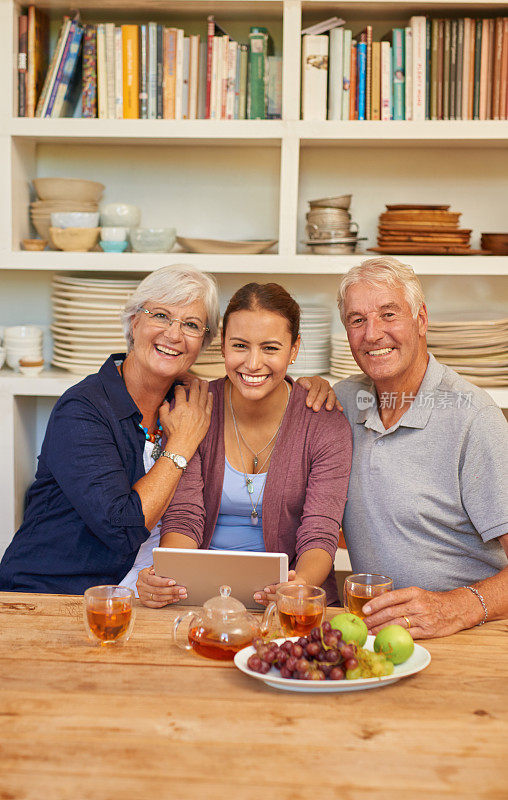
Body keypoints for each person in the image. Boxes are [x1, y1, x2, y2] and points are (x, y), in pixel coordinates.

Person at [0, 266, 337, 594]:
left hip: (141, 595)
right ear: (134, 322)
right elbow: (123, 528)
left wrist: (312, 385)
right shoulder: (84, 411)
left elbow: (262, 381)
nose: (174, 335)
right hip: (57, 593)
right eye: (160, 316)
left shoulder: (188, 401)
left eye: (191, 324)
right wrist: (181, 445)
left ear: (204, 342)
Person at [135, 282, 353, 607]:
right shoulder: (195, 409)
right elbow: (185, 517)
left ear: (294, 350)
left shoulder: (324, 422)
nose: (252, 364)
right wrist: (168, 575)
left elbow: (320, 530)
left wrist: (300, 584)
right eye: (240, 346)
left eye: (270, 348)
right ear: (222, 346)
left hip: (294, 602)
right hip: (201, 598)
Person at [334, 256, 508, 639]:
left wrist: (457, 607)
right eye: (357, 320)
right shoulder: (341, 403)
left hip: (467, 631)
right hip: (379, 634)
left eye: (388, 314)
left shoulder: (473, 417)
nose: (372, 333)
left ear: (422, 320)